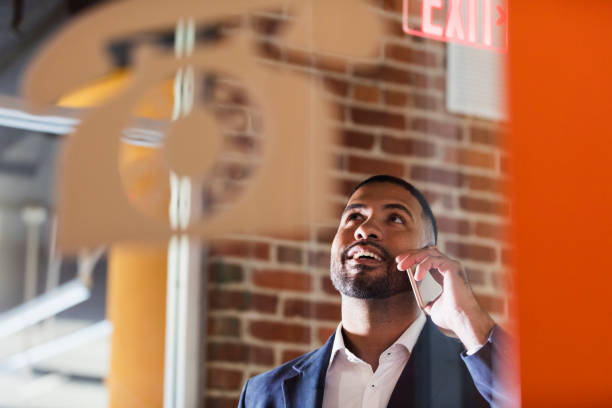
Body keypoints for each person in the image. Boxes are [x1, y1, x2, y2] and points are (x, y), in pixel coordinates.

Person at [238, 175, 515, 408]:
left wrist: (468, 320)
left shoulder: (483, 381)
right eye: (354, 216)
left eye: (395, 218)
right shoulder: (262, 395)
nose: (365, 229)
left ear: (429, 254)